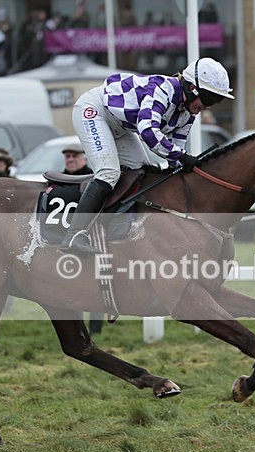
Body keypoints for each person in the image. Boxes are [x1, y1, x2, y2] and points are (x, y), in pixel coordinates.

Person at [62, 57, 234, 254]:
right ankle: (74, 235)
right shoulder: (162, 90)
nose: (209, 106)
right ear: (191, 87)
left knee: (141, 170)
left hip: (120, 126)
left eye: (216, 101)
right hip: (94, 110)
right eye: (209, 99)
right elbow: (148, 132)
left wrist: (181, 163)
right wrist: (181, 156)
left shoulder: (188, 113)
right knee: (109, 172)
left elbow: (176, 146)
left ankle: (113, 226)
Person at [59, 142, 104, 334]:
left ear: (84, 157)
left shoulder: (98, 181)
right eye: (67, 156)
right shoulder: (58, 180)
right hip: (63, 237)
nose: (70, 159)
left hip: (92, 237)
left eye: (74, 155)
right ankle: (77, 329)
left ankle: (95, 328)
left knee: (95, 278)